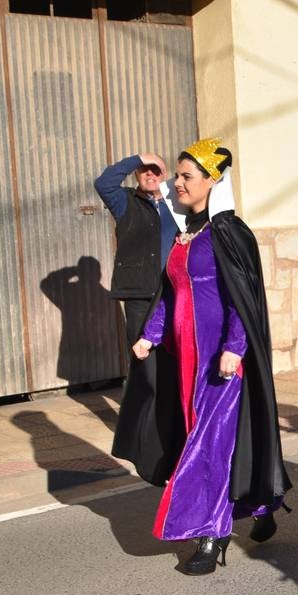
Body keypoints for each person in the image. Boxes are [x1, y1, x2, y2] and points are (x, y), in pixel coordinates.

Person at [113, 138, 290, 575]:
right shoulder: (184, 235)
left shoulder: (228, 233)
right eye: (177, 175)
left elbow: (240, 298)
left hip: (220, 363)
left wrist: (235, 346)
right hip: (185, 362)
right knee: (203, 438)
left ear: (213, 182)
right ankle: (262, 502)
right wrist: (150, 335)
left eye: (187, 176)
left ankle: (212, 537)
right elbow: (173, 295)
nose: (177, 183)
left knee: (208, 444)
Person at [97, 153, 181, 475]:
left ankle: (171, 421)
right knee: (143, 362)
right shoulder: (124, 203)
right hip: (139, 296)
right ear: (136, 175)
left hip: (173, 292)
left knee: (173, 357)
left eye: (155, 170)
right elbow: (103, 182)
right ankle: (142, 429)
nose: (149, 174)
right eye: (144, 171)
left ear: (165, 174)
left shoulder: (177, 204)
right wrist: (137, 158)